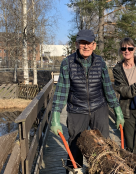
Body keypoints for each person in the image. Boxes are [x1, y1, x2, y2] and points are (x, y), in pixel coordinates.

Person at [50, 29, 124, 172]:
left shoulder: (100, 62)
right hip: (77, 110)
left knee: (104, 145)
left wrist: (117, 110)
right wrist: (55, 116)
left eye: (88, 43)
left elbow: (108, 88)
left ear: (94, 45)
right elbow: (61, 92)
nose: (85, 46)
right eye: (82, 43)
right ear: (77, 44)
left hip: (99, 108)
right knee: (75, 145)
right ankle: (74, 171)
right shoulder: (67, 63)